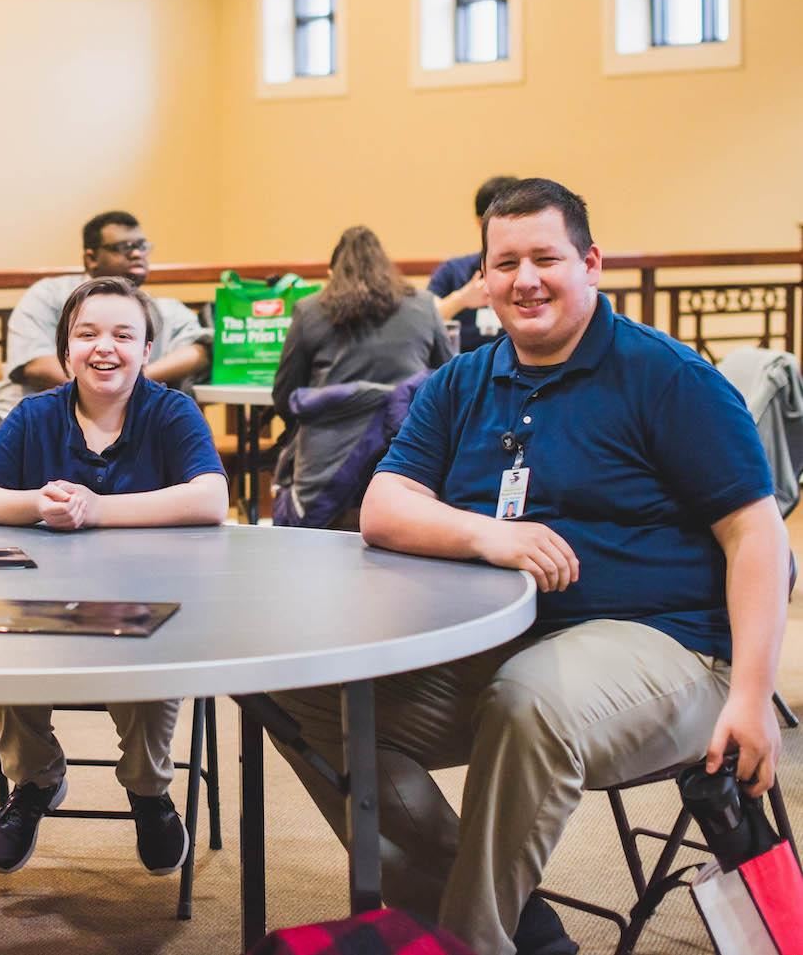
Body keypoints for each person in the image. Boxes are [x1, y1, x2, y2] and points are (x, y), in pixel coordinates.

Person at [267, 179, 788, 955]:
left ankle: (473, 940)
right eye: (504, 262)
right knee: (299, 685)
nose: (525, 279)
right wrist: (488, 535)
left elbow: (757, 536)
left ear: (591, 263)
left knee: (529, 698)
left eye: (546, 257)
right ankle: (512, 923)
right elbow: (384, 503)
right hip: (500, 642)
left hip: (674, 648)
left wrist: (750, 695)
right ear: (484, 276)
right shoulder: (463, 380)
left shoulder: (668, 376)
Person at [0, 275, 228, 877]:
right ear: (66, 349)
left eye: (124, 334)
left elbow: (211, 498)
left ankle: (149, 791)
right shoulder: (33, 415)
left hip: (141, 603)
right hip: (44, 606)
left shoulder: (172, 410)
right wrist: (37, 504)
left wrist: (97, 510)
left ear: (147, 349)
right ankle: (35, 781)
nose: (106, 347)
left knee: (156, 648)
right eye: (88, 334)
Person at [0, 210, 212, 499]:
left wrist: (129, 376)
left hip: (125, 415)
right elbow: (35, 365)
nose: (136, 254)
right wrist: (97, 379)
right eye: (124, 248)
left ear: (145, 348)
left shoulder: (163, 309)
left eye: (142, 246)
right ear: (91, 258)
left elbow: (200, 349)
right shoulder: (47, 295)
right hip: (14, 413)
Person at [271, 226, 453, 528]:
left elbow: (284, 395)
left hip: (326, 467)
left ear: (332, 273)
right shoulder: (424, 306)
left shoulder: (309, 310)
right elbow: (446, 380)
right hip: (406, 452)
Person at [428, 175, 520, 353]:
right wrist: (461, 299)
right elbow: (422, 324)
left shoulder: (530, 276)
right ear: (480, 222)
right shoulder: (453, 271)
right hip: (465, 369)